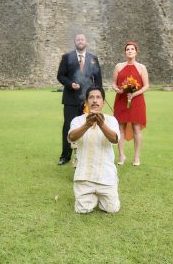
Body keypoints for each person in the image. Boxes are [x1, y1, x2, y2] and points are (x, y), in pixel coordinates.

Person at [68, 86, 120, 213]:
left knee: (112, 209)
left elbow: (114, 139)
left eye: (98, 97)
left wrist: (101, 124)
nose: (95, 100)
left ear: (103, 101)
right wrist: (87, 124)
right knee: (82, 210)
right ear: (86, 102)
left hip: (106, 175)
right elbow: (71, 137)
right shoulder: (78, 120)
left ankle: (108, 190)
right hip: (84, 176)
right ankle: (90, 197)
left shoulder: (111, 120)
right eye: (91, 97)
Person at [57, 33, 102, 165]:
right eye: (78, 39)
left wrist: (98, 96)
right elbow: (60, 76)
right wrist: (71, 84)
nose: (80, 41)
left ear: (86, 42)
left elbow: (98, 80)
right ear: (75, 42)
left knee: (89, 126)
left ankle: (87, 154)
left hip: (88, 100)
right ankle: (65, 156)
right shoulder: (67, 57)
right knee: (68, 126)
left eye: (82, 39)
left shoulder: (93, 58)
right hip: (70, 99)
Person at [112, 41, 149, 166]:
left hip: (137, 100)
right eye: (128, 49)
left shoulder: (142, 67)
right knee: (120, 128)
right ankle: (121, 156)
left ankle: (136, 157)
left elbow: (146, 85)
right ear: (125, 52)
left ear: (136, 52)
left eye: (132, 49)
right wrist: (117, 89)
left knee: (136, 128)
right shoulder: (118, 66)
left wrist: (134, 94)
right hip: (121, 100)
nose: (130, 51)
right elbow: (114, 83)